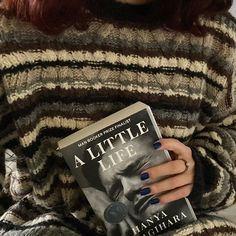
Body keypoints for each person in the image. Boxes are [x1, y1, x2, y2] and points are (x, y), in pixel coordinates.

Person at [0, 0, 235, 235]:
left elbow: (230, 129)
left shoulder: (213, 35)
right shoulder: (13, 28)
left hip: (177, 224)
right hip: (42, 226)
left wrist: (201, 174)